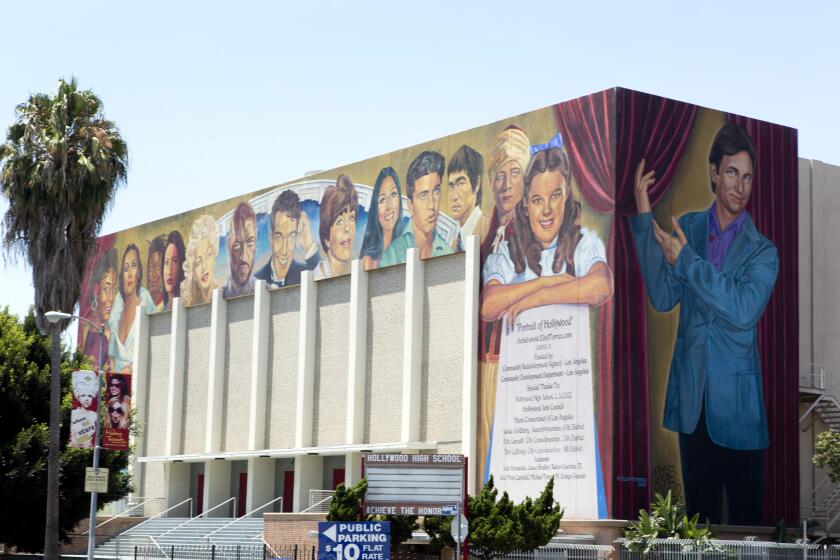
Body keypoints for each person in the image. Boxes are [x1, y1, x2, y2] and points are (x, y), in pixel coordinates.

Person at [629, 124, 779, 525]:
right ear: (714, 172)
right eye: (732, 173)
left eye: (747, 177)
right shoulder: (689, 230)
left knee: (748, 531)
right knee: (700, 526)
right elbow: (663, 297)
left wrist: (688, 263)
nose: (740, 186)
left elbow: (743, 308)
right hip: (693, 407)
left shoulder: (764, 252)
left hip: (741, 415)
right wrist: (644, 217)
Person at [380, 151, 454, 265]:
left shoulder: (448, 254)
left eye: (436, 191)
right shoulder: (393, 255)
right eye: (423, 195)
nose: (432, 205)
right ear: (410, 206)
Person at [480, 125, 531, 259]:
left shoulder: (535, 236)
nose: (506, 185)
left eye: (515, 173)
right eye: (500, 176)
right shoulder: (486, 238)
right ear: (491, 182)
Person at [254, 189, 320, 287]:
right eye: (279, 237)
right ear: (271, 238)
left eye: (291, 237)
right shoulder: (257, 280)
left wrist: (309, 246)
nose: (284, 251)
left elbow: (327, 287)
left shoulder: (306, 273)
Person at [109, 243, 157, 372]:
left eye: (134, 266)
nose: (129, 273)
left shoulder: (146, 305)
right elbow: (111, 360)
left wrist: (133, 369)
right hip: (116, 387)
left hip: (139, 383)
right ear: (122, 275)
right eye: (126, 268)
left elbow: (156, 348)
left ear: (139, 272)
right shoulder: (116, 314)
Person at [447, 145, 491, 251]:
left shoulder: (491, 231)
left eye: (461, 183)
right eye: (451, 186)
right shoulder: (452, 245)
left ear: (477, 184)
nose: (454, 196)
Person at [359, 167, 405, 270]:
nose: (389, 206)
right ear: (375, 208)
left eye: (393, 194)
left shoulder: (406, 247)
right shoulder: (369, 261)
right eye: (382, 199)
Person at [315, 175, 359, 279]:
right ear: (327, 239)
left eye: (351, 218)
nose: (347, 228)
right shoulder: (317, 278)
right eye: (339, 222)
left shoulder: (355, 274)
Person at [81, 248, 117, 369]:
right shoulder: (85, 328)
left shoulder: (109, 334)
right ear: (96, 291)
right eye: (106, 289)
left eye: (114, 289)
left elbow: (113, 371)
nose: (111, 298)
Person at [180, 215, 220, 306]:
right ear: (192, 269)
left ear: (214, 256)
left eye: (208, 255)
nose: (204, 267)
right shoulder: (191, 298)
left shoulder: (222, 292)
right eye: (198, 263)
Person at [222, 202, 257, 298]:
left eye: (250, 242)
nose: (244, 257)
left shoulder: (267, 291)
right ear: (228, 246)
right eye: (237, 245)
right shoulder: (218, 296)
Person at [69, 371, 98, 448]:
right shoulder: (74, 414)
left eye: (89, 396)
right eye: (83, 395)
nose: (86, 399)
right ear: (78, 398)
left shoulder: (95, 415)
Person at [162, 230, 186, 310]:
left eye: (174, 262)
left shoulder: (187, 304)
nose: (169, 271)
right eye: (166, 262)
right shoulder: (161, 311)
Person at [147, 235, 167, 311]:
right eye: (152, 267)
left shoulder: (166, 302)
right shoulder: (143, 299)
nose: (154, 275)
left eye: (158, 267)